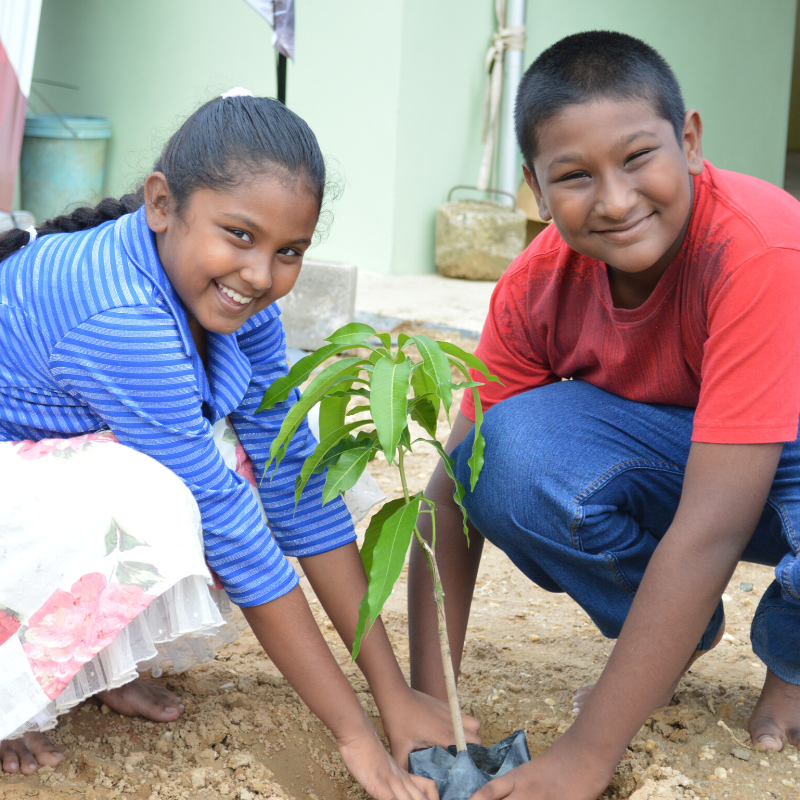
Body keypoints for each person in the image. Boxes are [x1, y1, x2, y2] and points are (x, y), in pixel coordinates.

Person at [0, 92, 479, 798]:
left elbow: (294, 476)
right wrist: (355, 735)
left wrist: (394, 694)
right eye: (240, 235)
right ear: (161, 203)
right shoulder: (121, 314)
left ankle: (98, 667)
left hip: (42, 454)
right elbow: (224, 520)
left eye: (289, 252)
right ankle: (11, 692)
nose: (260, 274)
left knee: (272, 462)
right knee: (161, 500)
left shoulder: (234, 297)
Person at [408, 30, 800, 800]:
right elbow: (451, 496)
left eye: (637, 157)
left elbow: (714, 525)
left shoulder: (758, 249)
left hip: (777, 459)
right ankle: (672, 635)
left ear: (690, 141)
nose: (616, 201)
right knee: (500, 455)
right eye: (575, 176)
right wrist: (429, 700)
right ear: (534, 187)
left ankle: (792, 661)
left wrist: (589, 753)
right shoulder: (537, 287)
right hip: (695, 460)